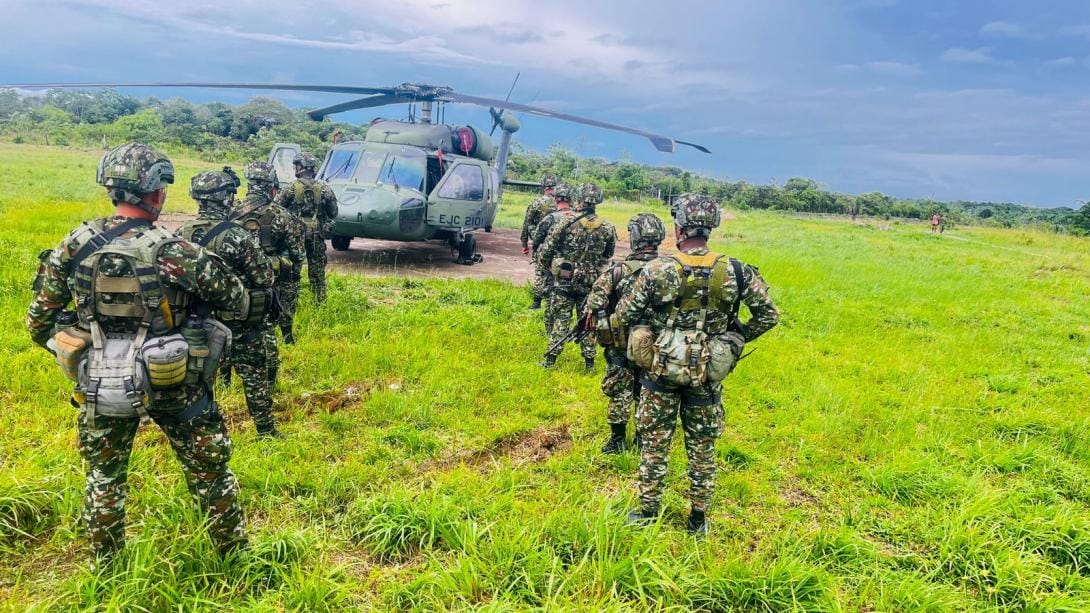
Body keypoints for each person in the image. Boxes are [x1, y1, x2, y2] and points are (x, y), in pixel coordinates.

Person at [26, 143, 249, 565]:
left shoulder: (75, 245)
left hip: (101, 385)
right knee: (210, 472)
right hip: (177, 382)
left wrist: (92, 346)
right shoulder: (174, 250)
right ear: (156, 192)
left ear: (112, 189)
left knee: (103, 478)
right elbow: (235, 299)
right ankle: (235, 562)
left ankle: (107, 569)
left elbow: (39, 322)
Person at [614, 193, 779, 534]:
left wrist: (650, 327)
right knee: (703, 446)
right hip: (707, 374)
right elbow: (768, 315)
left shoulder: (657, 268)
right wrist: (735, 339)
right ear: (711, 228)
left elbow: (624, 314)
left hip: (660, 371)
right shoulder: (736, 270)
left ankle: (647, 511)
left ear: (678, 227)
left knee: (655, 441)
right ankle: (698, 518)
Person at [178, 170, 280, 438]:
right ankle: (266, 432)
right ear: (226, 199)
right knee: (255, 377)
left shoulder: (180, 235)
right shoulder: (237, 236)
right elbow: (265, 277)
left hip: (197, 325)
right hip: (240, 323)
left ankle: (205, 432)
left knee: (199, 380)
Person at [586, 213, 666, 454]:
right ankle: (643, 440)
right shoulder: (670, 270)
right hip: (656, 345)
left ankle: (617, 440)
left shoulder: (617, 272)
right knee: (649, 392)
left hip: (620, 345)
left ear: (634, 238)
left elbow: (595, 303)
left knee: (619, 392)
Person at [234, 161, 306, 373]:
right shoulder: (281, 215)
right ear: (271, 185)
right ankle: (286, 335)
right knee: (291, 280)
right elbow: (298, 254)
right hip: (273, 280)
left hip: (237, 279)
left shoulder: (232, 212)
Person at [538, 182, 616, 370]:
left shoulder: (565, 222)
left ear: (579, 199)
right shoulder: (607, 227)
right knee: (587, 321)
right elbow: (608, 254)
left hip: (565, 279)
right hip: (590, 281)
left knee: (561, 321)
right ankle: (589, 363)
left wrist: (551, 265)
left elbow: (545, 251)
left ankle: (550, 360)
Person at [274, 151, 339, 306]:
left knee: (293, 272)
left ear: (302, 166)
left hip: (294, 237)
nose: (295, 168)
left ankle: (290, 304)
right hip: (317, 236)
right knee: (317, 273)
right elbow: (333, 212)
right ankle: (320, 304)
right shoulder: (325, 189)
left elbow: (276, 210)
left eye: (296, 165)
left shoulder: (289, 189)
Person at [520, 173, 559, 309]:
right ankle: (554, 300)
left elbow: (526, 224)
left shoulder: (536, 203)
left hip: (541, 243)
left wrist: (525, 244)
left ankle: (537, 302)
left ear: (543, 186)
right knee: (556, 272)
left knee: (540, 272)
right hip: (558, 245)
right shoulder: (562, 204)